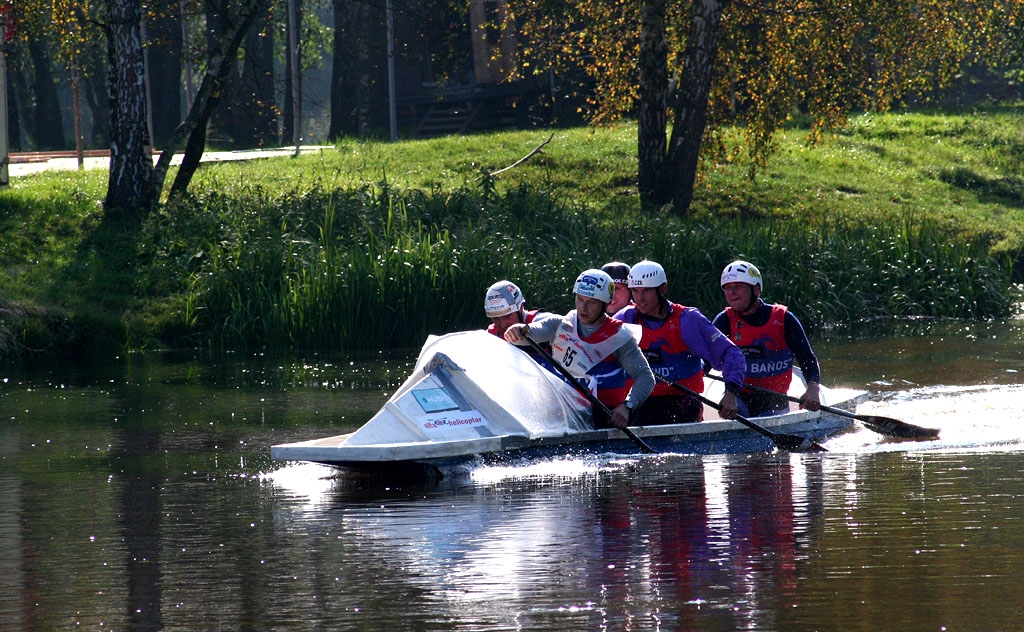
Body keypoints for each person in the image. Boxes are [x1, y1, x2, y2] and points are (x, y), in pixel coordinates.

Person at [503, 269, 655, 429]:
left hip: (604, 418)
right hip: (565, 417)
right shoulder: (558, 324)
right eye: (580, 299)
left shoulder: (620, 336)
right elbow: (533, 331)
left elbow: (645, 377)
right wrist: (519, 329)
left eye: (591, 302)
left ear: (605, 304)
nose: (583, 307)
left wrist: (627, 406)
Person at [614, 260, 746, 423]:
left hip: (681, 402)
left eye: (646, 291)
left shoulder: (688, 320)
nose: (639, 298)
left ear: (662, 290)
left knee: (688, 406)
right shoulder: (625, 318)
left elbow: (731, 354)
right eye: (635, 291)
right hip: (637, 402)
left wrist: (731, 393)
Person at [713, 260, 821, 416]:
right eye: (728, 288)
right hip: (737, 400)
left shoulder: (784, 319)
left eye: (738, 287)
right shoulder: (724, 321)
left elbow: (807, 359)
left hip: (774, 402)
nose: (732, 292)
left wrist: (812, 389)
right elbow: (705, 362)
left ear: (756, 289)